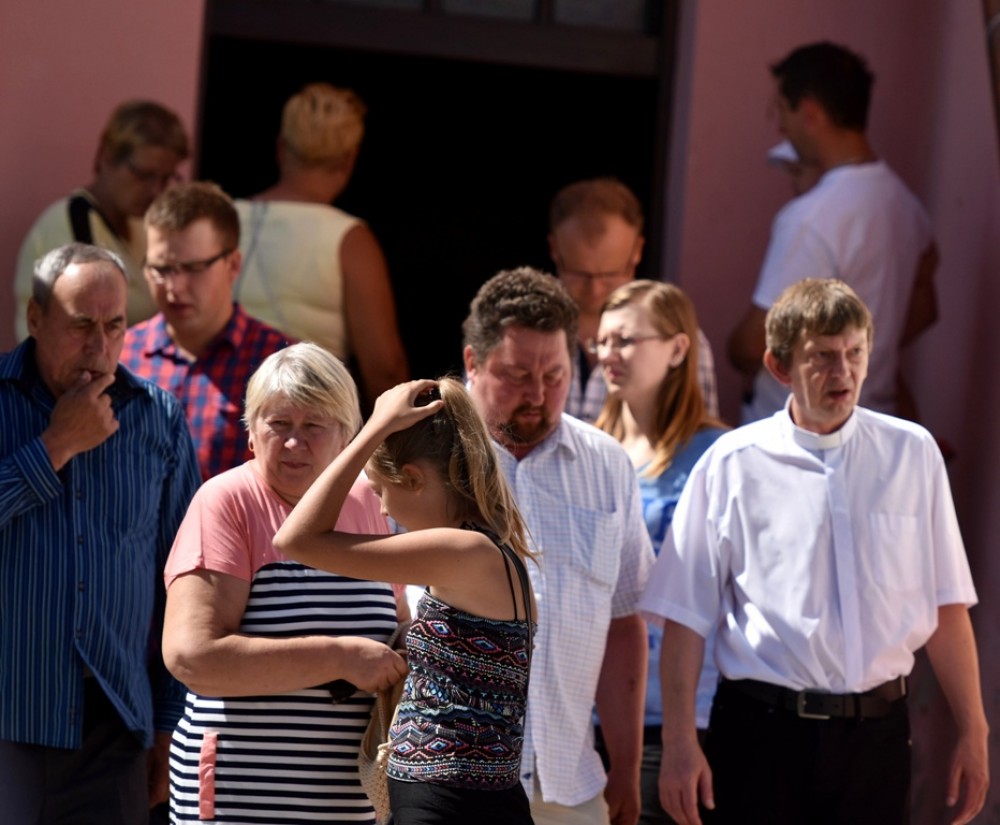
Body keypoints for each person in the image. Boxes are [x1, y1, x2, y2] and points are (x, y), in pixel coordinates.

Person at [642, 278, 989, 825]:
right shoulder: (732, 462)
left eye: (855, 353)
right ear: (779, 367)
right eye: (823, 356)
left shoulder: (913, 454)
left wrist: (974, 730)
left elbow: (947, 605)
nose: (842, 371)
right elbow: (685, 617)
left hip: (876, 738)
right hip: (761, 735)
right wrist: (681, 745)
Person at [161, 342, 409, 824]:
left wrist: (405, 644)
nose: (295, 443)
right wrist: (339, 657)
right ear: (252, 433)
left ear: (347, 436)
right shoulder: (227, 501)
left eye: (314, 425)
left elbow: (395, 621)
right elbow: (192, 657)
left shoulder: (372, 504)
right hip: (241, 800)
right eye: (279, 424)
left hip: (347, 807)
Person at [274, 376, 537, 824]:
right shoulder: (490, 549)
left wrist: (372, 430)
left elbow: (296, 539)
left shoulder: (460, 550)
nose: (382, 510)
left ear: (412, 478)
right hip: (484, 798)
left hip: (444, 803)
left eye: (380, 491)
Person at [0, 243, 200, 823]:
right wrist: (54, 446)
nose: (99, 346)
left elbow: (182, 583)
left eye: (114, 326)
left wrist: (168, 722)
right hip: (11, 716)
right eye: (81, 325)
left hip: (116, 724)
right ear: (35, 319)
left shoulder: (156, 416)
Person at [462, 267, 655, 825]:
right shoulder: (425, 459)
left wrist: (626, 767)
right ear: (472, 362)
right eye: (517, 375)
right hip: (451, 779)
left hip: (568, 783)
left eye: (555, 375)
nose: (538, 395)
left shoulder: (607, 465)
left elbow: (623, 625)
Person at [728, 41, 939, 423]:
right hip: (872, 424)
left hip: (802, 437)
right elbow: (924, 311)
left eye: (781, 110)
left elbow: (755, 342)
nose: (780, 126)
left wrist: (734, 349)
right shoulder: (908, 209)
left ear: (809, 111)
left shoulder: (812, 217)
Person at [592, 281, 727, 825]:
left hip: (680, 715)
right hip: (584, 711)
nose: (608, 353)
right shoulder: (585, 450)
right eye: (601, 341)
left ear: (677, 349)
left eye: (625, 340)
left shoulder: (717, 454)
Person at [235, 81, 408, 409]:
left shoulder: (225, 220)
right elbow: (385, 369)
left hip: (223, 413)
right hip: (305, 422)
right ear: (350, 159)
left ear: (281, 147)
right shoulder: (350, 240)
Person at [121, 181, 291, 480]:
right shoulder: (121, 355)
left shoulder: (278, 365)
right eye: (161, 269)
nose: (174, 287)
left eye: (193, 268)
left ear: (233, 265)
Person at [547, 178, 719, 423]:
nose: (595, 288)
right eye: (579, 274)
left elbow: (696, 436)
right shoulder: (524, 331)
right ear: (554, 249)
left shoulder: (672, 336)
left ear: (637, 251)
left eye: (610, 274)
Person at [15, 101, 190, 339]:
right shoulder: (67, 226)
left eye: (166, 178)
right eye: (144, 175)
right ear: (108, 158)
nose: (156, 190)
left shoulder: (142, 227)